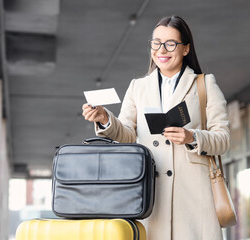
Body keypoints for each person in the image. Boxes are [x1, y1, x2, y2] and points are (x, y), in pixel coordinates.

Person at [82, 15, 229, 240]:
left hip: (193, 196)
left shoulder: (204, 84)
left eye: (171, 43)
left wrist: (192, 136)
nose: (162, 49)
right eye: (156, 42)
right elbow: (128, 135)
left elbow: (223, 139)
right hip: (151, 193)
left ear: (186, 49)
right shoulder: (138, 87)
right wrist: (104, 118)